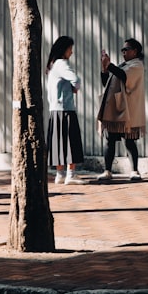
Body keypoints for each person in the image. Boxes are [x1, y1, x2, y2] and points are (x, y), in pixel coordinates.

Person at [96, 38, 146, 181]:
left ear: (135, 51)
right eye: (122, 50)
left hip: (128, 110)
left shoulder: (137, 65)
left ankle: (135, 170)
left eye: (126, 49)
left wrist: (109, 65)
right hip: (114, 109)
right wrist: (104, 69)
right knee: (109, 139)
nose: (123, 52)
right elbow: (106, 83)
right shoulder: (123, 65)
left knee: (129, 140)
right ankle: (107, 170)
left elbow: (124, 77)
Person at [46, 35, 86, 185]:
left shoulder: (52, 64)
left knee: (58, 142)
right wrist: (74, 88)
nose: (72, 52)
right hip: (66, 109)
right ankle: (71, 174)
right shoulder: (62, 64)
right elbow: (76, 79)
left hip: (55, 110)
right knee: (70, 141)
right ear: (64, 50)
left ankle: (60, 174)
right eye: (70, 49)